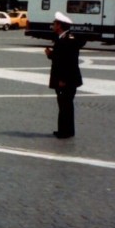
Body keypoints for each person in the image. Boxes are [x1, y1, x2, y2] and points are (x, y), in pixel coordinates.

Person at [45, 11, 83, 139]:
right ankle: (64, 129)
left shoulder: (67, 40)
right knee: (64, 104)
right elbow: (60, 58)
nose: (53, 25)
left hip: (66, 79)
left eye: (55, 23)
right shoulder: (63, 38)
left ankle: (66, 131)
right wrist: (51, 54)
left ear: (60, 26)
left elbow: (68, 62)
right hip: (65, 78)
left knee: (65, 104)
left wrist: (63, 79)